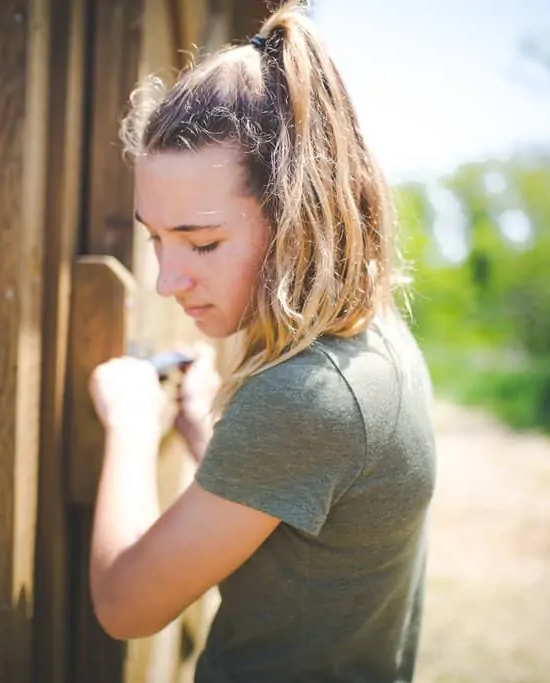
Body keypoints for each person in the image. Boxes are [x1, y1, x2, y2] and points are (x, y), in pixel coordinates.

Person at [87, 2, 437, 681]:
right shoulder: (375, 343)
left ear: (299, 218)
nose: (167, 278)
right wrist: (202, 434)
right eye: (155, 237)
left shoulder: (306, 396)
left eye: (202, 241)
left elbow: (124, 605)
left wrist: (130, 425)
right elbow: (301, 531)